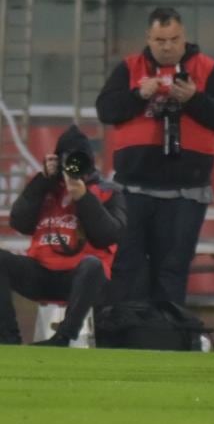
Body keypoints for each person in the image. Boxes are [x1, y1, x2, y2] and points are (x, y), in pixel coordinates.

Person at [95, 7, 214, 305]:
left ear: (184, 37)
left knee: (172, 270)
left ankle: (168, 337)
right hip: (132, 190)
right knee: (128, 268)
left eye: (173, 39)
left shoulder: (207, 69)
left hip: (185, 193)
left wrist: (194, 99)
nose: (167, 46)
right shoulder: (129, 68)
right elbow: (106, 110)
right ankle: (129, 335)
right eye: (160, 40)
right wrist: (138, 95)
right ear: (148, 38)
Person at [0, 126, 126, 346]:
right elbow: (19, 222)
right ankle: (9, 339)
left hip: (82, 280)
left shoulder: (108, 191)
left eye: (79, 161)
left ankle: (64, 337)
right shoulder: (45, 187)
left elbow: (109, 235)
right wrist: (43, 180)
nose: (73, 167)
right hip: (41, 273)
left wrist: (83, 197)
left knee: (92, 265)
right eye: (67, 160)